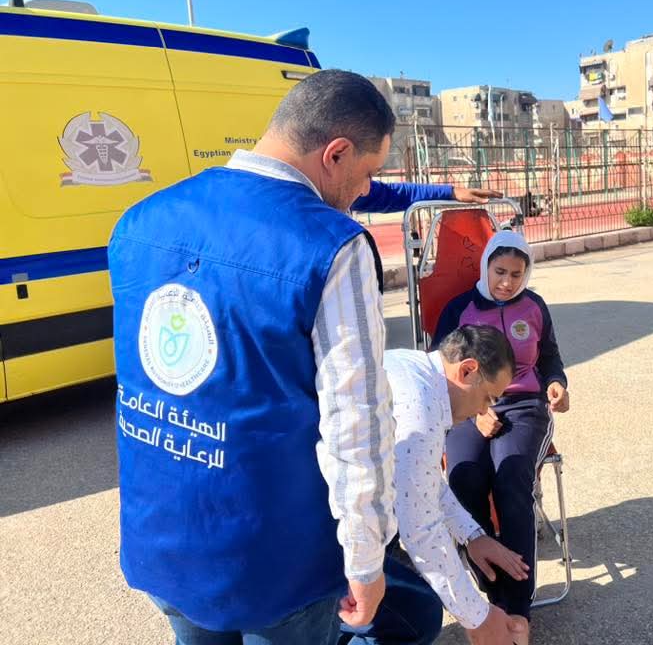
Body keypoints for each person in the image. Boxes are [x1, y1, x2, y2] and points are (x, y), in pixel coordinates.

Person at [108, 69, 494, 645]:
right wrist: (365, 561)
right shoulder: (331, 246)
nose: (366, 191)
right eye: (368, 173)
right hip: (274, 560)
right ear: (335, 154)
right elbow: (355, 424)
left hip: (162, 541)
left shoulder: (139, 218)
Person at [341, 325, 530, 645]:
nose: (484, 410)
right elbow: (420, 528)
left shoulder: (413, 367)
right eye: (487, 397)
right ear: (467, 370)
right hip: (319, 534)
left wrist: (473, 536)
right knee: (419, 616)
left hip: (321, 513)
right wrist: (479, 618)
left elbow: (421, 479)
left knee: (413, 599)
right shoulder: (420, 410)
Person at [433, 230, 570, 638]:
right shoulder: (460, 309)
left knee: (511, 479)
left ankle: (519, 609)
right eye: (499, 272)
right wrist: (475, 412)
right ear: (485, 267)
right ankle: (492, 594)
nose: (507, 282)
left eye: (515, 274)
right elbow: (443, 370)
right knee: (465, 478)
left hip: (524, 408)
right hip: (467, 408)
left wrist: (556, 383)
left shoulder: (534, 306)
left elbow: (550, 358)